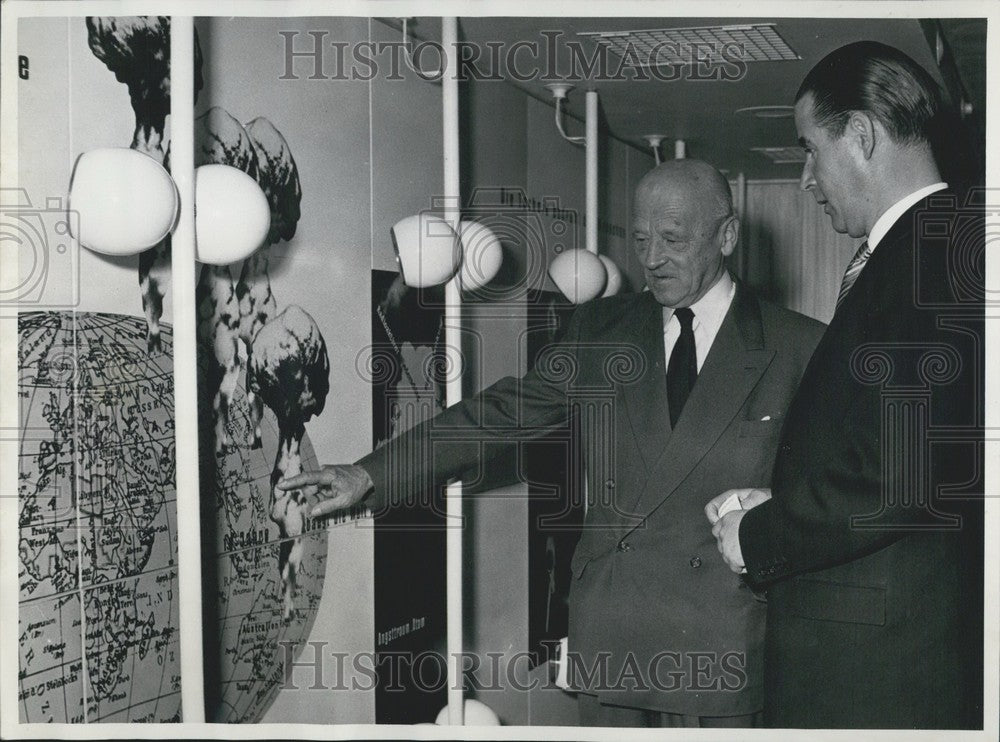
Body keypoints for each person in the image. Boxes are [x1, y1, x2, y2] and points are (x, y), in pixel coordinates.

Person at [280, 159, 825, 727]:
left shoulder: (799, 347)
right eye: (641, 240)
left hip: (725, 637)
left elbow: (822, 502)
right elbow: (500, 414)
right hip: (614, 630)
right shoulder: (601, 329)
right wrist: (371, 473)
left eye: (673, 239)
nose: (653, 259)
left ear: (727, 236)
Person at [706, 41, 984, 729]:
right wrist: (785, 498)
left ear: (860, 134)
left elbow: (902, 472)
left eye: (810, 148)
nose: (806, 177)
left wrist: (760, 534)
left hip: (875, 674)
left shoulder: (928, 255)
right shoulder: (930, 248)